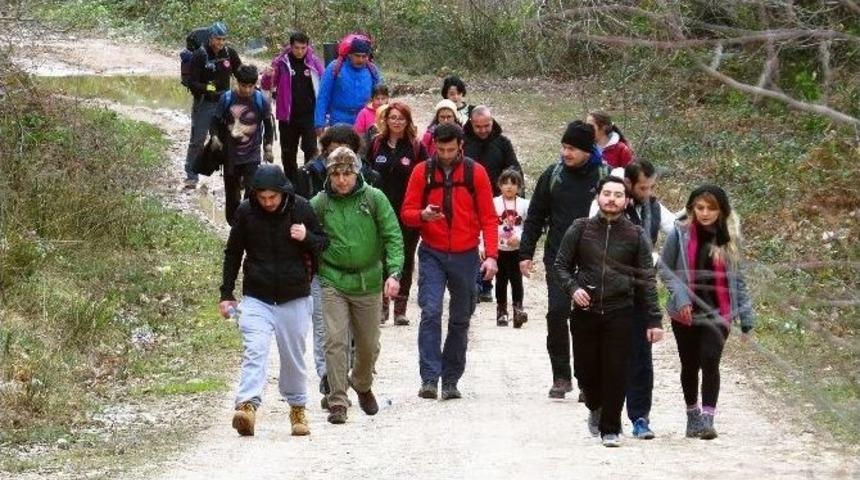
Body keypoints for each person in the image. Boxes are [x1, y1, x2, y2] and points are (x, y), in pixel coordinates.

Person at [219, 164, 328, 437]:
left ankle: (297, 407)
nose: (267, 203)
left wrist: (306, 237)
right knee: (254, 350)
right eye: (262, 198)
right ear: (254, 194)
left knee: (292, 357)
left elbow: (323, 243)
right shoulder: (245, 212)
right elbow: (233, 253)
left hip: (295, 295)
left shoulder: (301, 208)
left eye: (273, 197)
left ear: (283, 193)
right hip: (257, 296)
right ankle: (246, 406)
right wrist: (226, 294)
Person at [554, 176, 663, 448]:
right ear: (598, 197)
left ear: (626, 201)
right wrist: (573, 288)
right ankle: (595, 405)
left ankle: (610, 428)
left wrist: (653, 319)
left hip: (621, 311)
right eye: (606, 193)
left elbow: (646, 279)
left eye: (617, 195)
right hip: (585, 312)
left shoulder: (636, 235)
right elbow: (561, 265)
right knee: (585, 371)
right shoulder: (580, 229)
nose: (611, 199)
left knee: (616, 371)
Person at [401, 123, 498, 400]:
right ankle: (430, 378)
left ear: (460, 147)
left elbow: (489, 217)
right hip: (432, 251)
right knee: (430, 311)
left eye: (450, 150)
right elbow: (407, 212)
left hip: (466, 254)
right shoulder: (423, 171)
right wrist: (423, 215)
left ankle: (451, 379)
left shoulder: (475, 172)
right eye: (440, 149)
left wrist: (491, 255)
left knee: (460, 317)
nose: (444, 155)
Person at [310, 147, 404, 424]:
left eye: (347, 174)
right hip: (332, 279)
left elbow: (393, 236)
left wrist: (394, 272)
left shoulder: (374, 199)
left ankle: (361, 384)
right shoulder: (320, 203)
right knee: (335, 340)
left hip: (368, 281)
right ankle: (338, 399)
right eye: (336, 174)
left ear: (357, 172)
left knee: (369, 345)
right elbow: (306, 238)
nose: (341, 180)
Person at [519, 121, 609, 400]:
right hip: (559, 258)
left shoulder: (604, 177)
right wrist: (525, 253)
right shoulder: (553, 175)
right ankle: (561, 376)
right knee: (557, 314)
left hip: (595, 260)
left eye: (572, 148)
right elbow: (535, 216)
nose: (565, 153)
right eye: (564, 147)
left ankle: (587, 379)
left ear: (586, 150)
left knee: (587, 321)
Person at [587, 160, 676, 439]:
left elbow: (676, 229)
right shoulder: (603, 206)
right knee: (603, 358)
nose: (647, 192)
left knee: (641, 358)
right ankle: (599, 407)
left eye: (651, 187)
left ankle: (639, 417)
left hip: (639, 294)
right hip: (607, 294)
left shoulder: (652, 207)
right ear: (627, 184)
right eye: (642, 187)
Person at [293, 123, 379, 409]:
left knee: (362, 337)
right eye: (333, 153)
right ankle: (330, 382)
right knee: (327, 331)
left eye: (347, 155)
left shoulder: (371, 184)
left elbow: (384, 226)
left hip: (363, 274)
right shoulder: (308, 178)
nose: (340, 159)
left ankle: (352, 377)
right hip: (323, 269)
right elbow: (298, 222)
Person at [659, 185, 755, 440]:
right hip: (686, 312)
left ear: (721, 210)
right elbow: (666, 269)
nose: (704, 213)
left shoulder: (731, 237)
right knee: (690, 365)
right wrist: (680, 298)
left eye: (711, 208)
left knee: (710, 361)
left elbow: (739, 280)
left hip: (719, 311)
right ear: (692, 208)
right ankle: (692, 415)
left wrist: (747, 318)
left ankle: (708, 419)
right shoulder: (679, 233)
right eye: (699, 208)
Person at [366, 101, 428, 325]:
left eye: (401, 118)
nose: (396, 122)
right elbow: (366, 176)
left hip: (408, 212)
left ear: (408, 121)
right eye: (392, 117)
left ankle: (400, 307)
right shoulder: (375, 144)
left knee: (406, 257)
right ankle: (382, 305)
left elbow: (426, 177)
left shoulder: (416, 147)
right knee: (380, 256)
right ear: (385, 120)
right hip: (380, 211)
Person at [463, 105, 521, 302]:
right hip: (468, 200)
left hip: (494, 202)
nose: (483, 130)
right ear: (471, 123)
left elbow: (514, 169)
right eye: (478, 126)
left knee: (491, 241)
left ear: (492, 121)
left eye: (486, 125)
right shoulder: (463, 142)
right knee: (471, 242)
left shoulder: (502, 143)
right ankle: (474, 283)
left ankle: (486, 284)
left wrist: (511, 194)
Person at [208, 65, 274, 226]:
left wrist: (268, 146)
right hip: (231, 155)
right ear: (237, 82)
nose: (246, 89)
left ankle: (247, 226)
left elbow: (269, 126)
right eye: (243, 86)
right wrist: (215, 137)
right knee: (232, 195)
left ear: (254, 84)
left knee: (252, 193)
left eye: (250, 86)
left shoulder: (261, 100)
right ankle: (234, 225)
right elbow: (214, 121)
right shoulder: (227, 99)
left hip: (252, 154)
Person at [183, 22, 242, 189]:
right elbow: (192, 82)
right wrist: (209, 88)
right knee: (198, 140)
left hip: (225, 104)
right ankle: (191, 175)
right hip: (205, 104)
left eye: (223, 39)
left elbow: (240, 73)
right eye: (218, 39)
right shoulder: (200, 55)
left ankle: (231, 175)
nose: (220, 43)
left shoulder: (230, 54)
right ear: (210, 38)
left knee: (230, 138)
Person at [261, 32, 324, 185]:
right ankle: (291, 185)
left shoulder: (313, 62)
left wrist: (323, 116)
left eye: (303, 48)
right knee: (288, 153)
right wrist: (268, 76)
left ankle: (310, 184)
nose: (300, 51)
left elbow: (323, 85)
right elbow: (266, 85)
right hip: (287, 116)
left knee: (311, 151)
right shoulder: (281, 62)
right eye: (296, 48)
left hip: (309, 115)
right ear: (291, 46)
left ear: (307, 46)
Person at [314, 36, 383, 132]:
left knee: (363, 147)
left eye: (364, 56)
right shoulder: (335, 68)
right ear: (349, 55)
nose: (361, 60)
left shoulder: (372, 70)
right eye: (357, 56)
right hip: (339, 120)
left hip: (365, 120)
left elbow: (381, 96)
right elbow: (323, 96)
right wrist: (319, 123)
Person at [492, 168, 529, 328]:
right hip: (499, 248)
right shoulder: (494, 202)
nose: (509, 187)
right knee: (500, 281)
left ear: (519, 187)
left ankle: (518, 310)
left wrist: (520, 239)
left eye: (513, 184)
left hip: (516, 250)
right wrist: (484, 245)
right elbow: (486, 224)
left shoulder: (524, 204)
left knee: (516, 280)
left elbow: (529, 227)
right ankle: (501, 312)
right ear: (499, 185)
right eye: (505, 183)